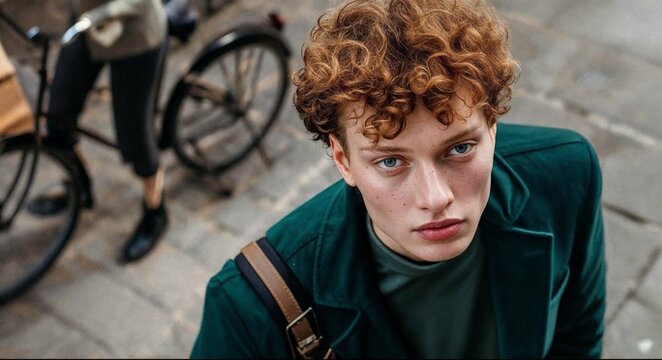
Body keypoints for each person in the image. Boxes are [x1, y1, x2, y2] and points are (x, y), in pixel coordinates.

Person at [191, 0, 606, 358]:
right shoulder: (248, 307)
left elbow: (578, 337)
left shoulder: (567, 175)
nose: (436, 197)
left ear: (492, 129)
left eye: (460, 148)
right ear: (343, 161)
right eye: (391, 161)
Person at [29, 0, 169, 262]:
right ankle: (79, 188)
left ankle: (155, 210)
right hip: (88, 28)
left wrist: (98, 15)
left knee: (136, 136)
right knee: (58, 117)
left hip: (134, 34)